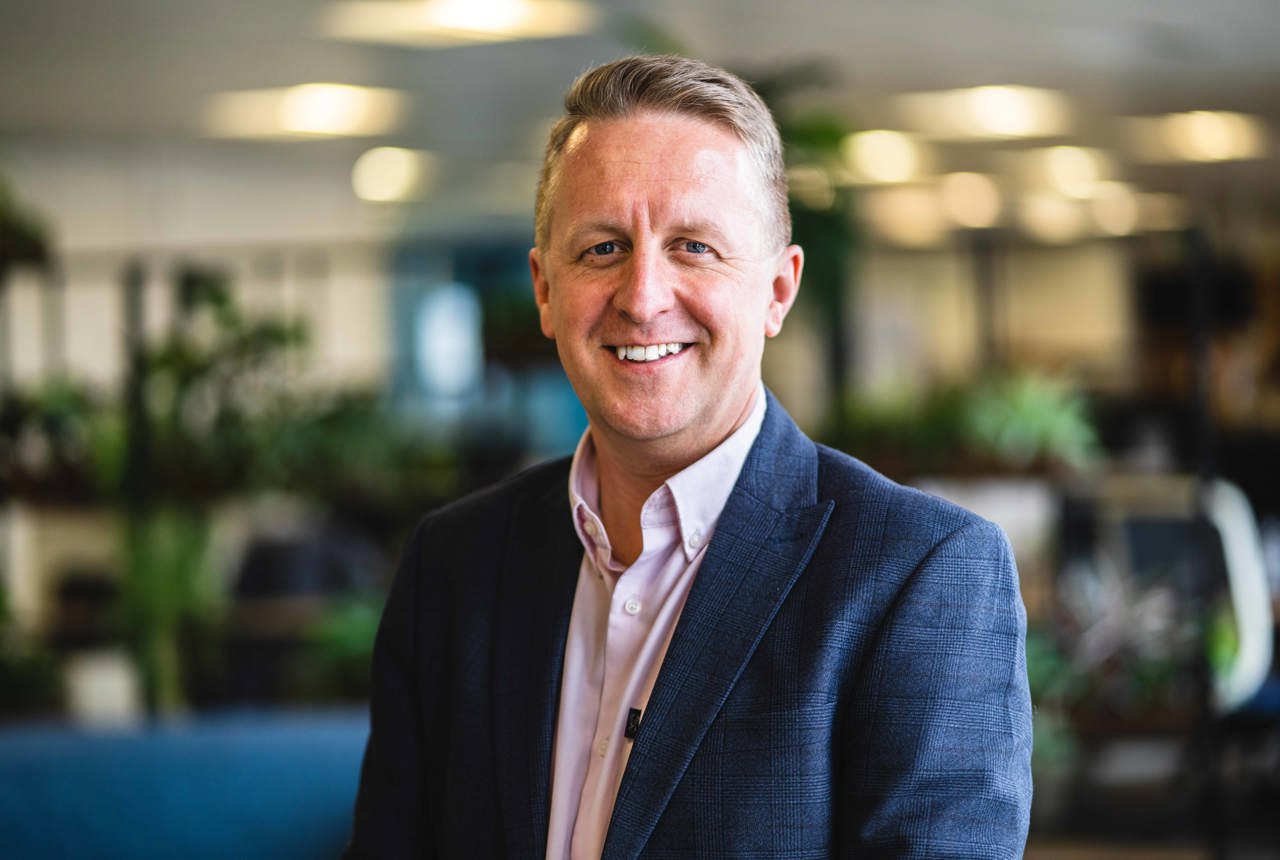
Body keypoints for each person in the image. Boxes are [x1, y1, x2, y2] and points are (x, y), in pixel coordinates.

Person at [344, 55, 1033, 859]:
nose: (642, 297)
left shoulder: (920, 576)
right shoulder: (453, 568)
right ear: (542, 289)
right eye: (602, 248)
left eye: (694, 247)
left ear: (778, 289)